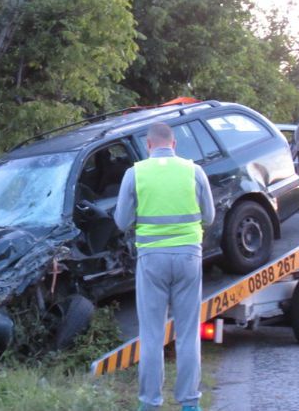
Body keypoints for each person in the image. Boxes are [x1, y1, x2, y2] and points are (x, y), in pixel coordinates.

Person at [114, 122, 214, 411]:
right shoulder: (194, 171)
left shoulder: (135, 173)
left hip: (151, 260)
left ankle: (149, 404)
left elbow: (122, 222)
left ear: (148, 146)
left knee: (152, 336)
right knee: (187, 334)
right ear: (174, 145)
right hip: (188, 258)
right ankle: (190, 404)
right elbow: (208, 217)